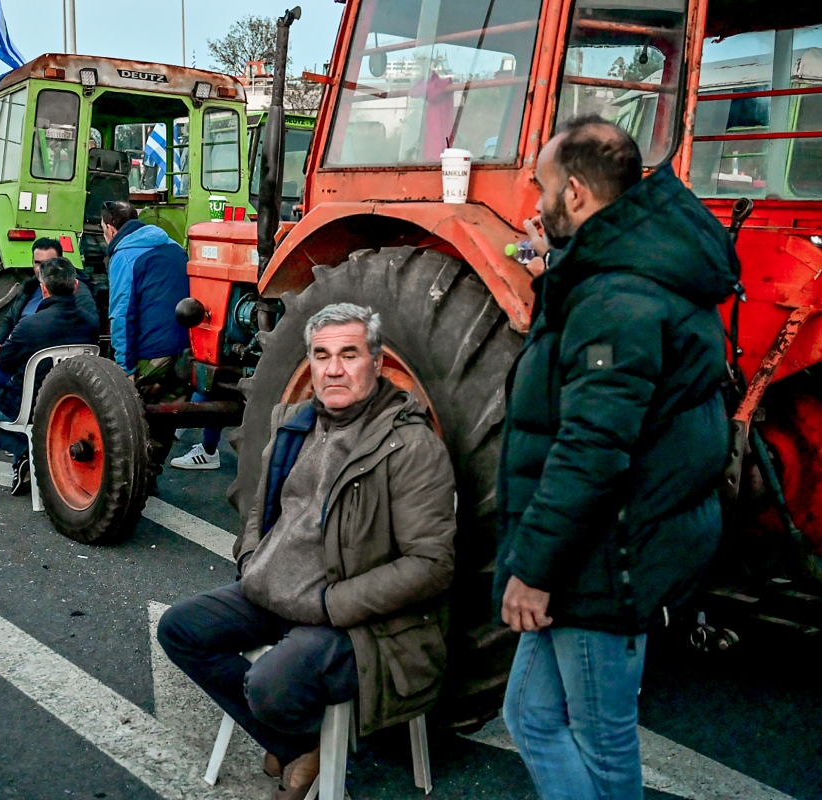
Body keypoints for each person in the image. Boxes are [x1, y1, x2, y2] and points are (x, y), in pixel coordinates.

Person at [496, 115, 736, 800]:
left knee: (600, 745)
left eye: (541, 188)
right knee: (532, 715)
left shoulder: (615, 298)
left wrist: (533, 570)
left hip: (605, 560)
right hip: (593, 552)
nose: (533, 205)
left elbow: (593, 447)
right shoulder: (616, 274)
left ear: (574, 193)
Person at [158, 303, 457, 800]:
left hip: (354, 619)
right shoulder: (295, 425)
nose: (333, 369)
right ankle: (299, 744)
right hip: (271, 591)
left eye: (349, 354)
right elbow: (261, 507)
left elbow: (430, 566)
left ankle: (295, 739)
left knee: (271, 686)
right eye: (321, 355)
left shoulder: (410, 447)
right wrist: (252, 560)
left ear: (377, 363)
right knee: (180, 630)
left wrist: (331, 605)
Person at [0, 256, 98, 495]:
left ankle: (25, 449)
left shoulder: (31, 325)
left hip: (26, 405)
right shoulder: (90, 324)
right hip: (71, 402)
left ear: (44, 289)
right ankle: (33, 453)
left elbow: (4, 362)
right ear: (75, 287)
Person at [100, 200, 190, 488]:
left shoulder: (125, 257)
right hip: (185, 348)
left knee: (127, 419)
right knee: (166, 418)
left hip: (151, 352)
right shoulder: (175, 248)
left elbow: (122, 313)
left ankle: (126, 486)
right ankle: (150, 476)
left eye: (103, 230)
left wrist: (124, 367)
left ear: (111, 229)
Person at [0, 237, 84, 399]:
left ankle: (16, 411)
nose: (42, 268)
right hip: (17, 359)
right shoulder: (29, 288)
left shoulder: (77, 292)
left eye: (49, 262)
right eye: (38, 263)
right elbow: (9, 318)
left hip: (42, 367)